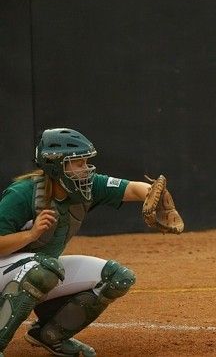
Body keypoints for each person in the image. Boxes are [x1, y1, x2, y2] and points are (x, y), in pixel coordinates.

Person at [0, 128, 179, 357]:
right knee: (46, 269)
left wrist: (153, 195)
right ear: (55, 165)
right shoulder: (22, 194)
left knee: (117, 278)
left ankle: (50, 335)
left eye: (86, 161)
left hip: (36, 269)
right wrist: (31, 235)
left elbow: (132, 188)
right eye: (77, 163)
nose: (85, 168)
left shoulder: (84, 186)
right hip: (6, 271)